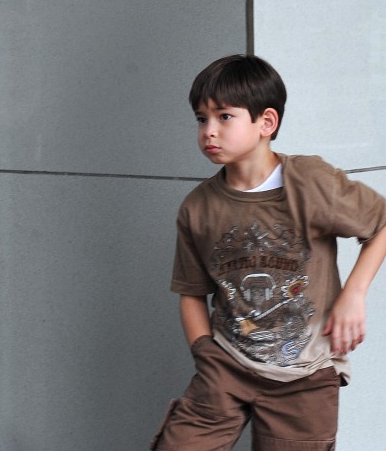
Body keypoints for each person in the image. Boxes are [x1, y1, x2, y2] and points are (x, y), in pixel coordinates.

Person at [151, 54, 386, 451]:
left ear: (267, 123)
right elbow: (191, 292)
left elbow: (381, 224)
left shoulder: (311, 182)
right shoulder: (198, 208)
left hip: (305, 374)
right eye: (201, 119)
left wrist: (353, 295)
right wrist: (205, 352)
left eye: (224, 117)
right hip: (226, 364)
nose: (209, 131)